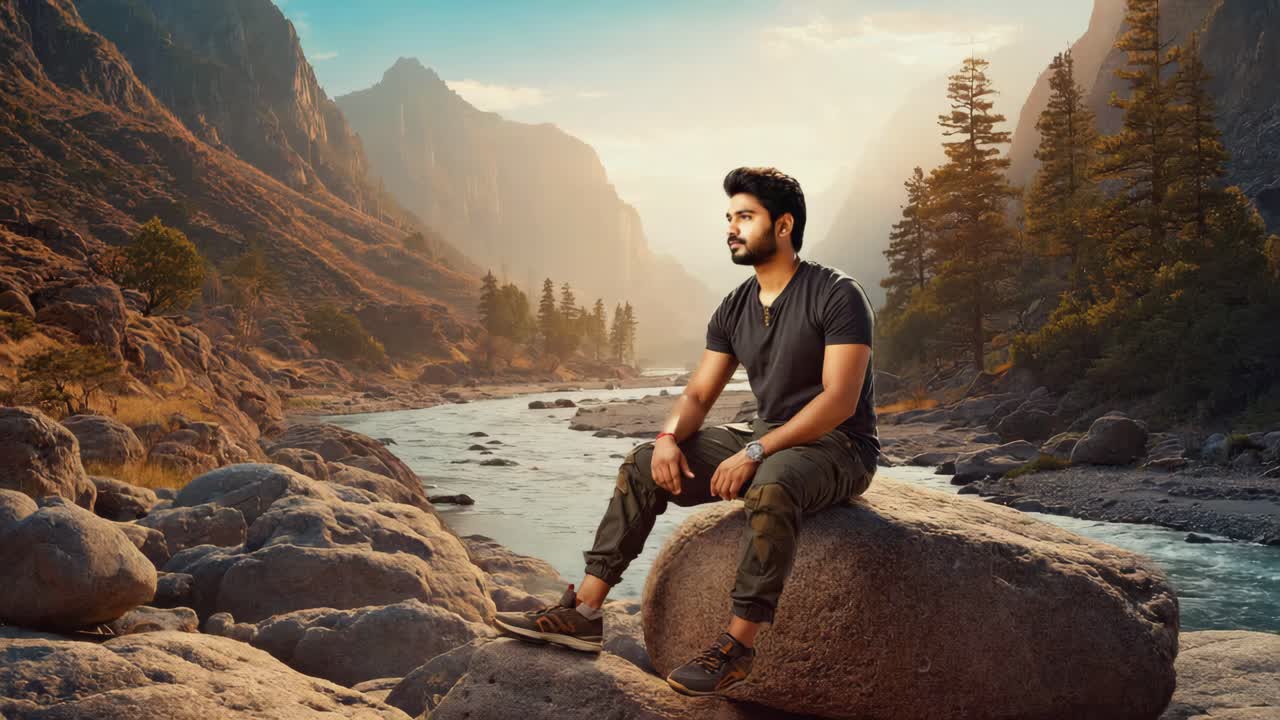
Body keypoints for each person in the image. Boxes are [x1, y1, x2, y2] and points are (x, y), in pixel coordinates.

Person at [493, 166, 879, 697]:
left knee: (772, 485)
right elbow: (698, 395)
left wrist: (756, 449)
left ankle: (737, 648)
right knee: (640, 464)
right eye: (729, 218)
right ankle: (583, 611)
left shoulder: (837, 294)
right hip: (768, 436)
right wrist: (668, 440)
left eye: (745, 217)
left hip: (840, 446)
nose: (731, 228)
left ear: (784, 225)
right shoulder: (734, 307)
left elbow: (839, 400)